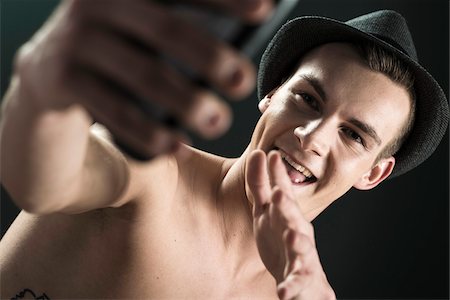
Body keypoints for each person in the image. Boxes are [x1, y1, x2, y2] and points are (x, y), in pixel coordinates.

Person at [0, 0, 448, 299]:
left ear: (373, 172)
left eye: (354, 135)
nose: (312, 137)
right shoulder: (153, 174)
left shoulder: (298, 290)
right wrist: (41, 85)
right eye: (307, 100)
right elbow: (40, 182)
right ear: (270, 96)